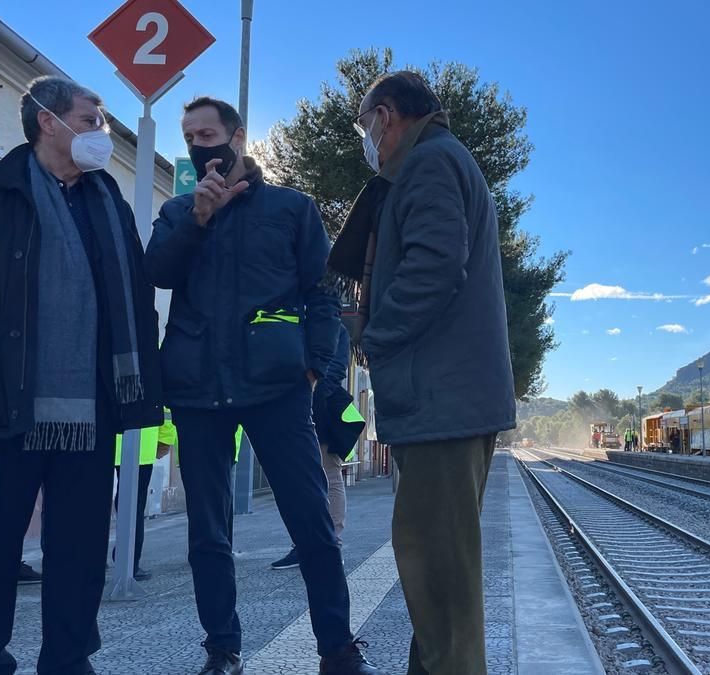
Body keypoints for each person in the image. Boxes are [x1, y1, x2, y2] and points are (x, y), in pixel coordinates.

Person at [0, 76, 163, 675]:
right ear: (48, 121)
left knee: (77, 550)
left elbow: (134, 292)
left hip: (94, 406)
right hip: (5, 400)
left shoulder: (109, 202)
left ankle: (69, 659)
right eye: (92, 119)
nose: (101, 133)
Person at [144, 96, 375, 675]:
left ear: (238, 137)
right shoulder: (177, 213)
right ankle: (222, 649)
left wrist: (315, 368)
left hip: (277, 387)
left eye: (209, 133)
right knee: (208, 530)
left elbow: (324, 294)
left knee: (311, 521)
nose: (200, 146)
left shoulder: (292, 209)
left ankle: (338, 649)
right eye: (190, 136)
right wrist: (197, 220)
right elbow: (158, 274)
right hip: (197, 390)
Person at [329, 71, 516, 675]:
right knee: (438, 576)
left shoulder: (430, 163)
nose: (367, 139)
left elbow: (435, 266)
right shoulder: (441, 159)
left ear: (386, 115)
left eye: (365, 126)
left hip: (442, 399)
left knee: (438, 576)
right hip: (448, 397)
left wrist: (375, 338)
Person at [271, 322, 363, 570]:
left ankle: (332, 540)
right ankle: (302, 543)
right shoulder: (295, 318)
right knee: (296, 480)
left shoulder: (335, 327)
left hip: (319, 407)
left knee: (329, 474)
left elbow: (335, 371)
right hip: (290, 406)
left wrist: (313, 393)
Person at [112, 413, 177, 581]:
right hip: (140, 446)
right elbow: (164, 406)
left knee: (94, 504)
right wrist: (165, 438)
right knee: (133, 506)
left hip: (104, 440)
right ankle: (129, 563)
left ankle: (94, 558)